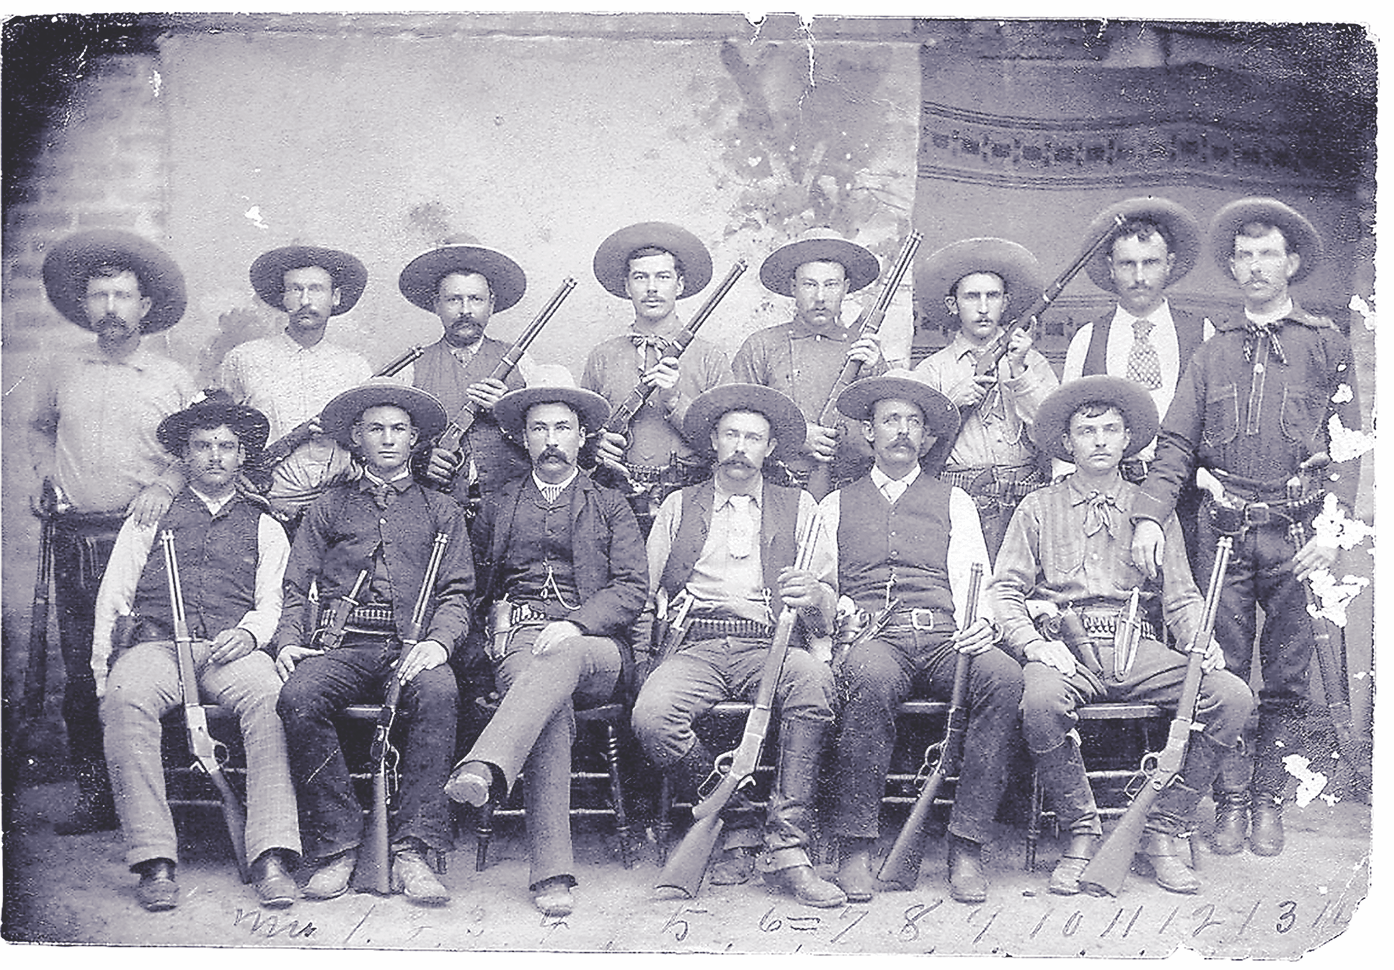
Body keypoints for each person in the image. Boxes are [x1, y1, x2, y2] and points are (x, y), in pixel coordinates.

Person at [1130, 197, 1363, 859]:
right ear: (1232, 268)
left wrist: (1338, 528)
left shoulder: (1327, 345)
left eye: (1270, 254)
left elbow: (1354, 443)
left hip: (1298, 538)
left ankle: (1268, 802)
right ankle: (1229, 801)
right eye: (1245, 255)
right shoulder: (1213, 353)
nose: (1257, 266)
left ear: (1291, 264)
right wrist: (1149, 516)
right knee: (1224, 675)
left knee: (1288, 679)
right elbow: (1175, 444)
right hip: (1224, 535)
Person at [990, 376, 1253, 895]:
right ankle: (1081, 835)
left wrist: (1203, 640)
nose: (1101, 440)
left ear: (1128, 438)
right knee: (1040, 700)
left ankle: (1162, 830)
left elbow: (1180, 595)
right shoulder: (1038, 507)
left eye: (1112, 429)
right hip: (1065, 648)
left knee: (1232, 696)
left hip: (1139, 647)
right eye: (1087, 431)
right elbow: (1004, 591)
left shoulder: (1151, 511)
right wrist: (1033, 644)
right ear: (1067, 443)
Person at [633, 383, 845, 908]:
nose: (741, 448)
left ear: (770, 449)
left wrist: (814, 592)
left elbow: (828, 600)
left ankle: (789, 847)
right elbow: (644, 592)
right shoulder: (679, 506)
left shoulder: (803, 509)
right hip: (694, 642)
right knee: (652, 717)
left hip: (769, 643)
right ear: (713, 442)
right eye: (731, 435)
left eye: (754, 438)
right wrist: (642, 661)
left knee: (814, 684)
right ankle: (740, 818)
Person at [443, 384, 646, 918]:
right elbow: (476, 584)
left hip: (596, 648)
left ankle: (486, 765)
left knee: (560, 661)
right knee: (547, 708)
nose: (551, 441)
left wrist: (578, 625)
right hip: (518, 640)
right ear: (524, 439)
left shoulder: (610, 504)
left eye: (562, 429)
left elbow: (630, 588)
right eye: (540, 430)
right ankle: (552, 874)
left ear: (583, 438)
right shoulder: (499, 504)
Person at [92, 392, 301, 911]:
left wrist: (251, 636)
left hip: (230, 649)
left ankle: (271, 854)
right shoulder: (149, 517)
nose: (214, 456)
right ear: (184, 456)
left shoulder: (265, 524)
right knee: (125, 698)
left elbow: (272, 601)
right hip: (158, 645)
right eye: (202, 446)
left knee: (272, 699)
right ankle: (155, 860)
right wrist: (103, 673)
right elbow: (114, 596)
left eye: (226, 447)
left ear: (241, 456)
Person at [819, 371, 1021, 905]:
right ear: (868, 432)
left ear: (928, 439)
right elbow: (824, 585)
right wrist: (840, 619)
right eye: (890, 421)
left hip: (942, 637)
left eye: (914, 423)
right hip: (873, 639)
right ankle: (856, 846)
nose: (902, 432)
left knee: (1002, 677)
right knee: (866, 676)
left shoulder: (955, 502)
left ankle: (968, 845)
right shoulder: (835, 505)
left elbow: (972, 575)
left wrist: (982, 623)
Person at [273, 383, 474, 904]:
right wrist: (290, 642)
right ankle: (339, 845)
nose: (388, 440)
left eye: (398, 430)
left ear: (414, 439)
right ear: (357, 440)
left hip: (413, 646)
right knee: (298, 697)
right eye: (375, 430)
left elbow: (457, 592)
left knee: (439, 693)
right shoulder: (330, 505)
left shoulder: (441, 509)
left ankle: (413, 849)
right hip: (343, 645)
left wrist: (441, 644)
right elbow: (296, 584)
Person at [30, 229, 196, 835]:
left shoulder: (173, 378)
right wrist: (45, 479)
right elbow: (40, 430)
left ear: (145, 306)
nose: (110, 309)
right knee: (83, 673)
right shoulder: (63, 370)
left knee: (144, 667)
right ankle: (96, 800)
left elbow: (201, 451)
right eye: (99, 296)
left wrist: (165, 485)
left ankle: (157, 804)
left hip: (143, 543)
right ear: (85, 305)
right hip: (76, 539)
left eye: (122, 296)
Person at [1060, 196, 1213, 560]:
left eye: (1150, 263)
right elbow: (1068, 427)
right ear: (1111, 268)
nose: (1140, 276)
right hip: (1107, 495)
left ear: (1169, 266)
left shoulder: (1201, 333)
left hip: (1183, 496)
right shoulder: (1087, 338)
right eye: (1128, 264)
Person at [913, 238, 1058, 560]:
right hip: (959, 497)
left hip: (1026, 497)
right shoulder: (932, 370)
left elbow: (1054, 434)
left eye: (992, 296)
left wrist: (1020, 373)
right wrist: (951, 404)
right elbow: (915, 448)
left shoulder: (1032, 362)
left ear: (1006, 302)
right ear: (953, 305)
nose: (982, 307)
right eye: (971, 297)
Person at [580, 221, 732, 524]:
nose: (652, 288)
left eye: (663, 277)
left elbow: (727, 443)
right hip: (615, 499)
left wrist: (675, 401)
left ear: (680, 285)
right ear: (626, 286)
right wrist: (594, 444)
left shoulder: (711, 357)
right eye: (640, 277)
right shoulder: (602, 356)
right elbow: (578, 434)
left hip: (690, 498)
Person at [219, 244, 373, 529]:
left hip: (341, 511)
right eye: (295, 290)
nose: (305, 300)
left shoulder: (356, 367)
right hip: (263, 507)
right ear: (283, 298)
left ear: (335, 297)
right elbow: (217, 430)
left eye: (316, 289)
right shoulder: (244, 359)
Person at [732, 227, 887, 494]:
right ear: (793, 287)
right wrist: (795, 437)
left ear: (846, 288)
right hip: (773, 487)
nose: (820, 297)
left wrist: (876, 376)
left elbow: (887, 430)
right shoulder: (761, 346)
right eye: (809, 284)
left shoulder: (865, 351)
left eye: (831, 284)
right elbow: (734, 422)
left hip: (850, 490)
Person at [397, 235, 545, 502]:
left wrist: (508, 412)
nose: (465, 310)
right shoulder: (411, 368)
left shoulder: (523, 363)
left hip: (511, 506)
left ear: (492, 304)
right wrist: (419, 461)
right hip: (438, 507)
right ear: (436, 305)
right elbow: (389, 444)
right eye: (454, 300)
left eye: (476, 299)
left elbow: (549, 438)